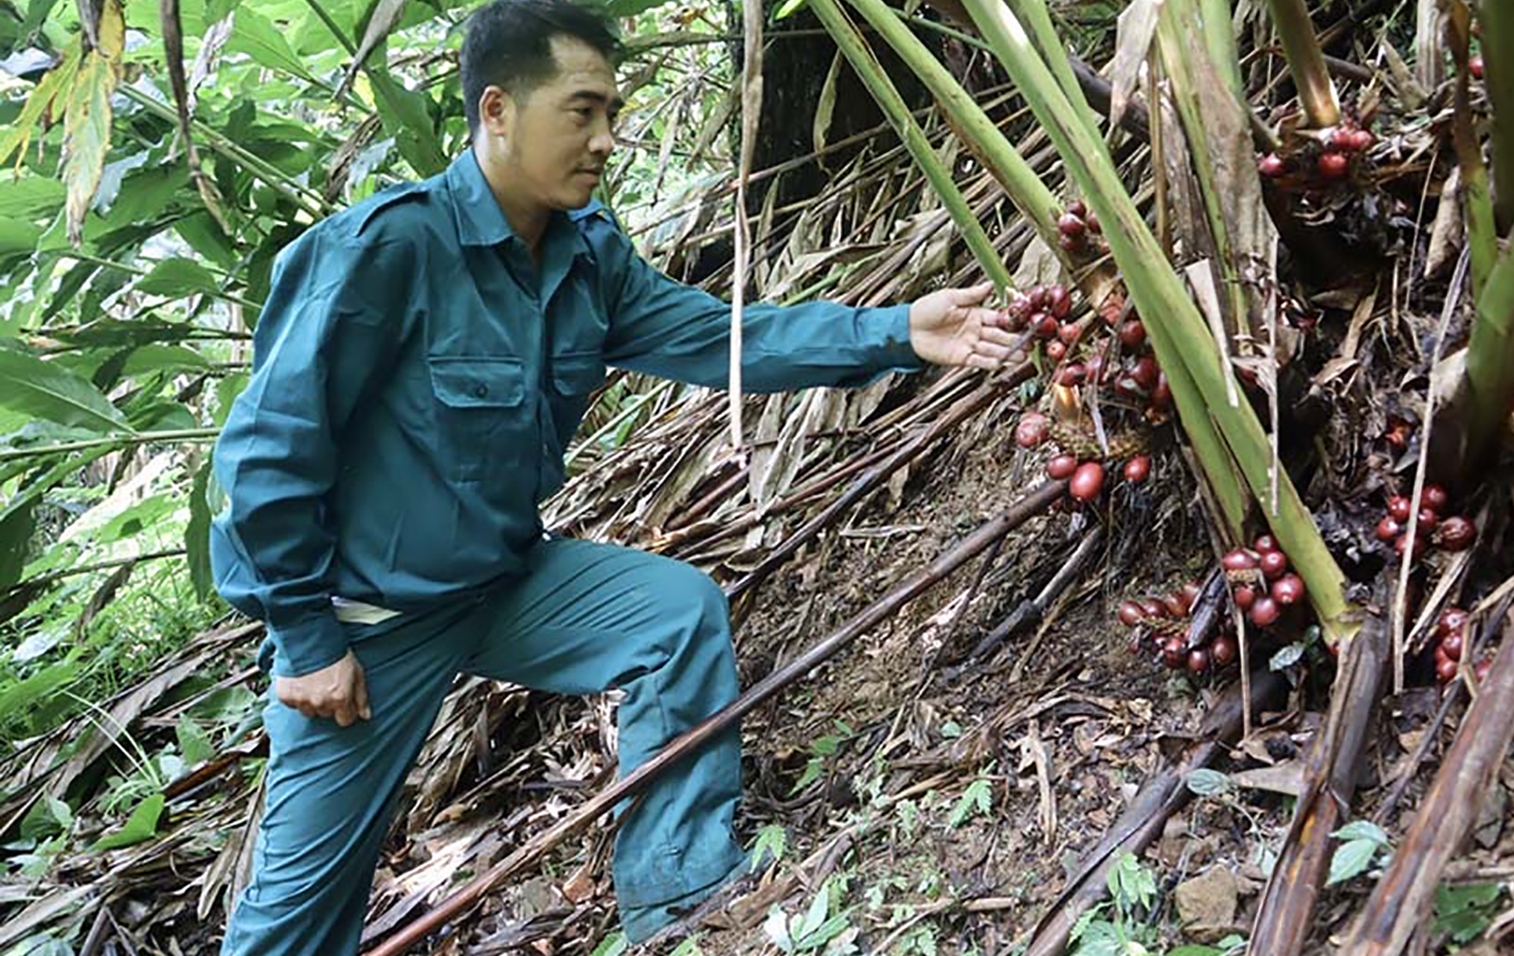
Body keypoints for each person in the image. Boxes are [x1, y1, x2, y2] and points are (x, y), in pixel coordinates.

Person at [208, 1, 1017, 951]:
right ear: (498, 110)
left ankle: (683, 914)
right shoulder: (388, 250)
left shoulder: (587, 257)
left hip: (501, 581)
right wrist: (304, 637)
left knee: (673, 617)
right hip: (368, 624)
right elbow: (266, 453)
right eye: (581, 111)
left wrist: (895, 333)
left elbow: (725, 337)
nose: (604, 140)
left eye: (614, 114)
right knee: (294, 924)